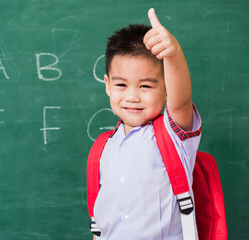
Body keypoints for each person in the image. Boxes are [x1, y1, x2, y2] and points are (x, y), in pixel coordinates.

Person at [90, 8, 202, 239]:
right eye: (121, 85)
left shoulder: (173, 134)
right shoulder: (102, 149)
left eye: (146, 86)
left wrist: (173, 54)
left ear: (166, 88)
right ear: (108, 85)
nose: (132, 96)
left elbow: (181, 102)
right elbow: (100, 224)